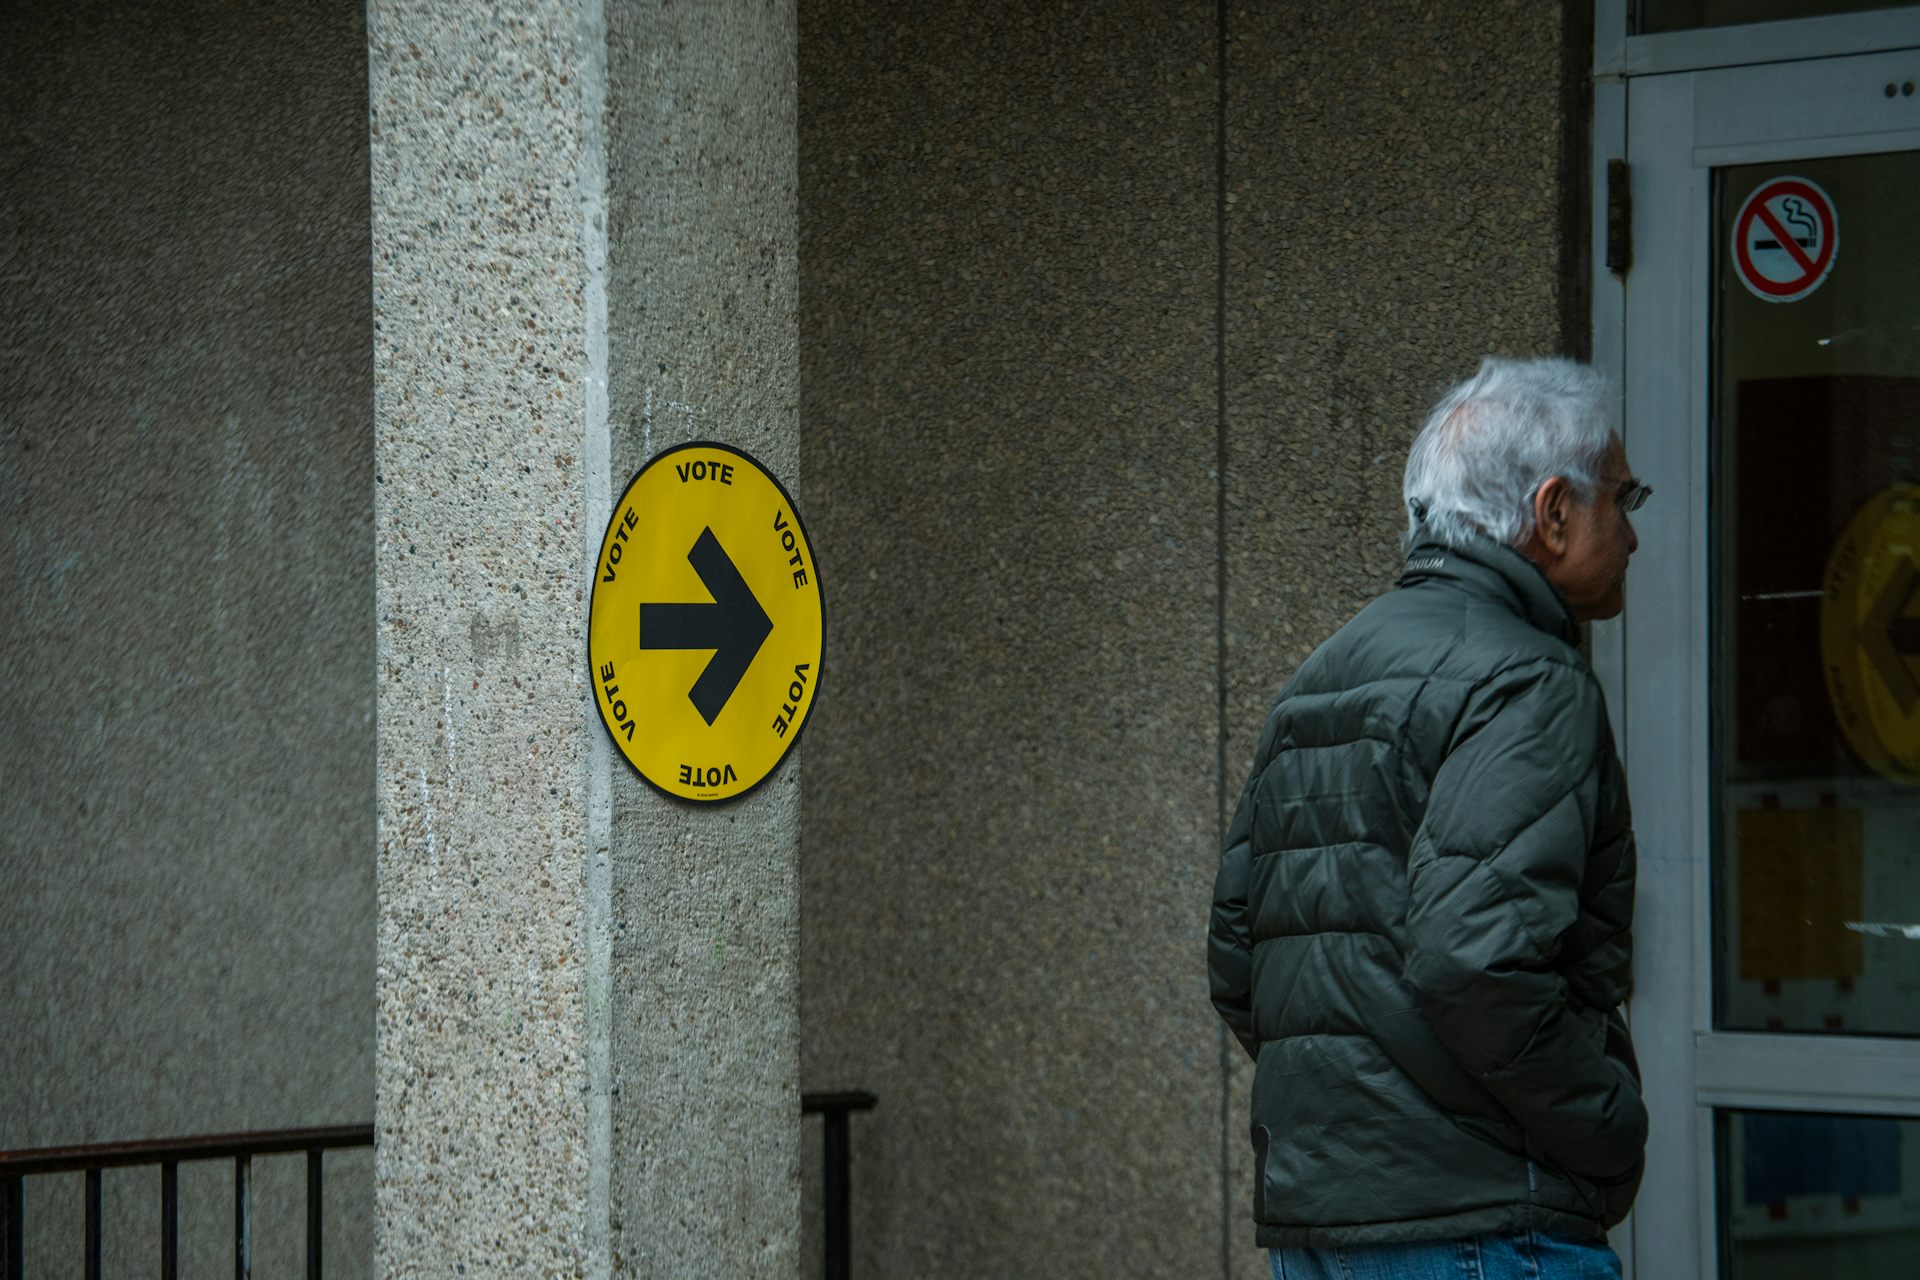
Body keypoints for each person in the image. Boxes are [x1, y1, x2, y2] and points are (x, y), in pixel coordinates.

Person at [1208, 357, 1650, 1280]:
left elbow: (1240, 958)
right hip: (1479, 1228)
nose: (1634, 533)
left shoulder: (1323, 671)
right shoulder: (1529, 678)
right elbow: (1473, 960)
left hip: (1319, 1229)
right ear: (1553, 512)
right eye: (1623, 496)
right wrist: (1606, 1125)